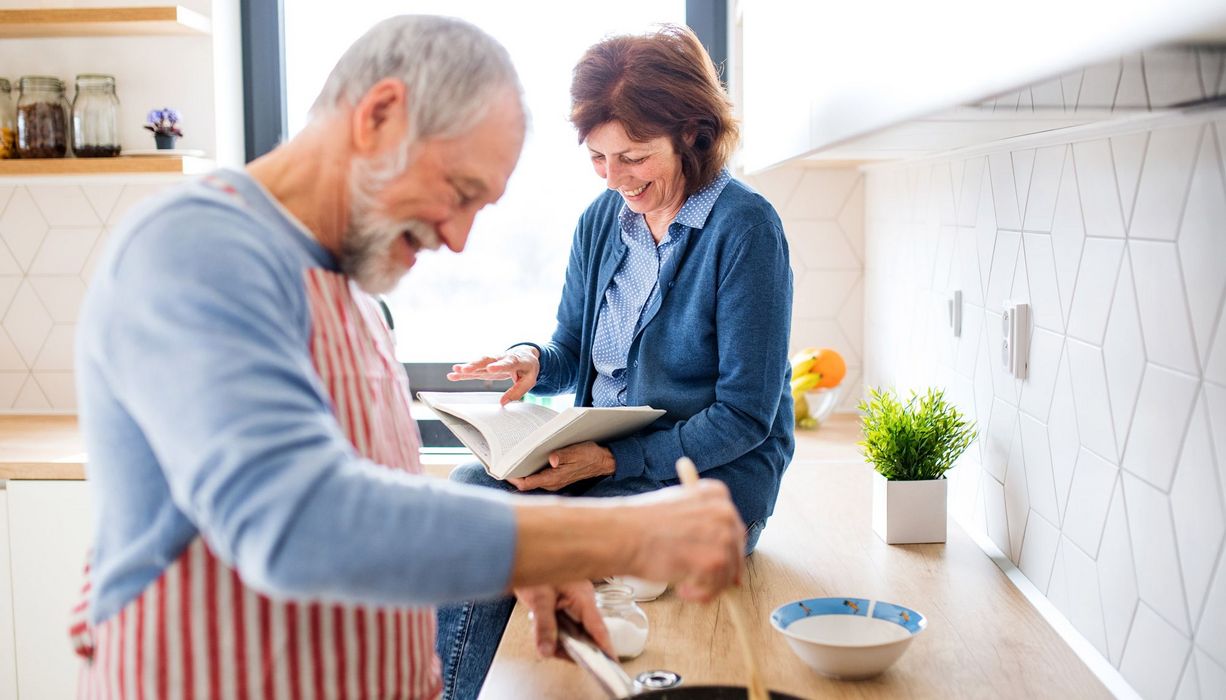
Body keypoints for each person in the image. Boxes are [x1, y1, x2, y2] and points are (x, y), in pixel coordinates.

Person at [71, 16, 747, 699]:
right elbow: (302, 522)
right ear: (380, 114)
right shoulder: (197, 250)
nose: (456, 238)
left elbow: (370, 496)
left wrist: (521, 558)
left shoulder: (354, 294)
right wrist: (610, 535)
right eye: (459, 192)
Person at [437, 23, 795, 699]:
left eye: (632, 157)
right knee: (470, 497)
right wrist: (531, 362)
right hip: (603, 467)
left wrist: (609, 461)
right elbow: (575, 349)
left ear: (693, 133)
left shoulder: (745, 229)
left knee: (543, 539)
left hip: (710, 478)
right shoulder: (603, 221)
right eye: (598, 158)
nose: (615, 179)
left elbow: (745, 417)